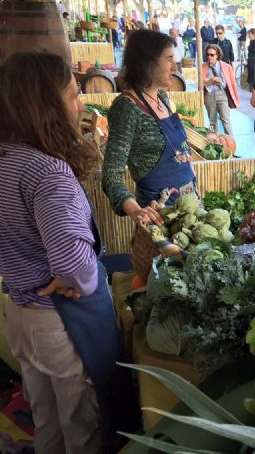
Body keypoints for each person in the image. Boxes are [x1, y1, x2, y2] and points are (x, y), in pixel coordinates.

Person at [0, 51, 139, 453]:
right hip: (60, 323)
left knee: (48, 422)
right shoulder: (47, 172)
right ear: (47, 106)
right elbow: (75, 265)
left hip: (20, 315)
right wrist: (77, 277)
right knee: (83, 426)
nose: (81, 104)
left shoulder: (7, 158)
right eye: (74, 94)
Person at [103, 30, 195, 225]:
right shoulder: (127, 108)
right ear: (148, 62)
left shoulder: (161, 97)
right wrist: (136, 211)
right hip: (160, 217)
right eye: (169, 59)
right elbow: (111, 176)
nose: (174, 66)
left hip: (190, 207)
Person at [202, 44, 239, 135]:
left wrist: (220, 82)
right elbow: (202, 82)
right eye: (208, 54)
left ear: (217, 55)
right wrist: (211, 80)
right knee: (212, 122)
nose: (209, 57)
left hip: (222, 94)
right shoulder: (203, 66)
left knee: (226, 121)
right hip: (209, 95)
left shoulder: (226, 66)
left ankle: (230, 144)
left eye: (212, 55)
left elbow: (230, 83)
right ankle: (214, 144)